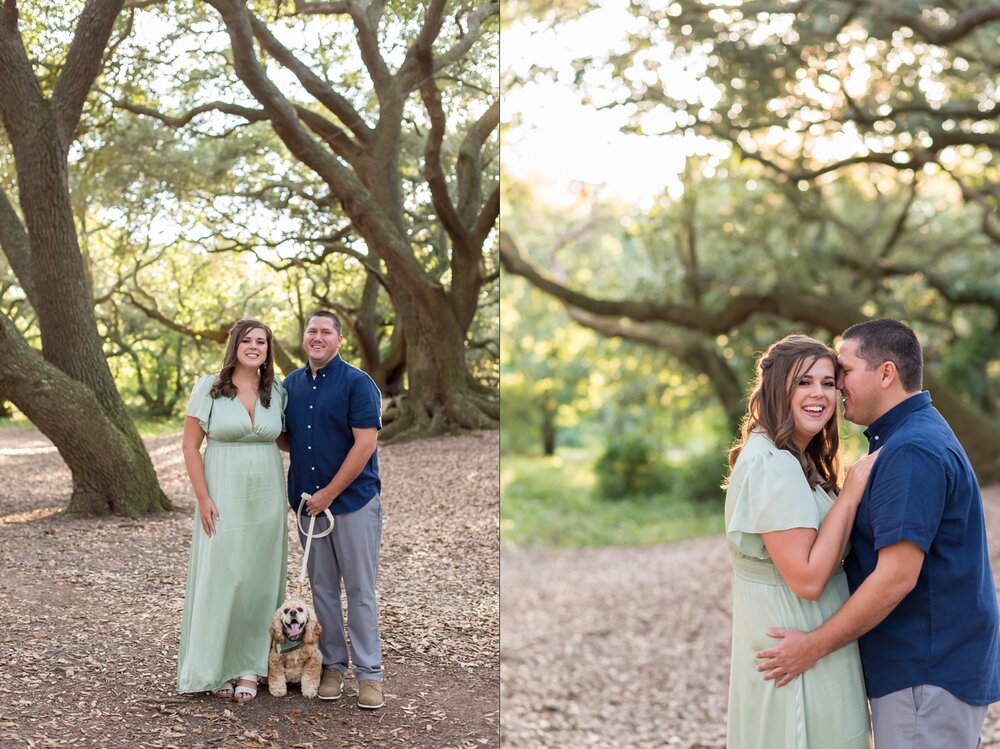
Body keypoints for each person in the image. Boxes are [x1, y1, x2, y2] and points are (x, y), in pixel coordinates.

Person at [756, 319, 1000, 748]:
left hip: (925, 670)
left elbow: (896, 577)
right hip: (928, 665)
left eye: (844, 372)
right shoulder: (908, 435)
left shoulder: (910, 450)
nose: (836, 387)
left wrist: (813, 646)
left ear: (886, 373)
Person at [724, 334, 878, 747]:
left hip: (813, 649)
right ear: (777, 389)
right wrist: (851, 494)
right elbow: (808, 580)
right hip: (797, 653)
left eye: (829, 383)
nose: (819, 394)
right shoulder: (772, 464)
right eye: (803, 382)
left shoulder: (791, 457)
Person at [176, 318, 288, 703]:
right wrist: (203, 497)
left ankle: (250, 667)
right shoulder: (209, 387)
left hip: (268, 496)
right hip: (222, 493)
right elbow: (191, 446)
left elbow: (289, 438)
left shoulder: (278, 390)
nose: (255, 346)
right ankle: (213, 665)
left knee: (260, 581)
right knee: (222, 577)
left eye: (262, 341)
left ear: (268, 349)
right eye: (248, 340)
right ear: (235, 345)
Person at [283, 310, 385, 709]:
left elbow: (365, 445)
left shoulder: (358, 384)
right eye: (312, 330)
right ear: (304, 337)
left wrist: (329, 492)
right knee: (322, 591)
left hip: (354, 502)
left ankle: (370, 675)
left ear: (339, 340)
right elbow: (287, 438)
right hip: (309, 507)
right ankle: (333, 666)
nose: (318, 336)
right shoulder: (290, 385)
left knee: (360, 591)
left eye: (326, 331)